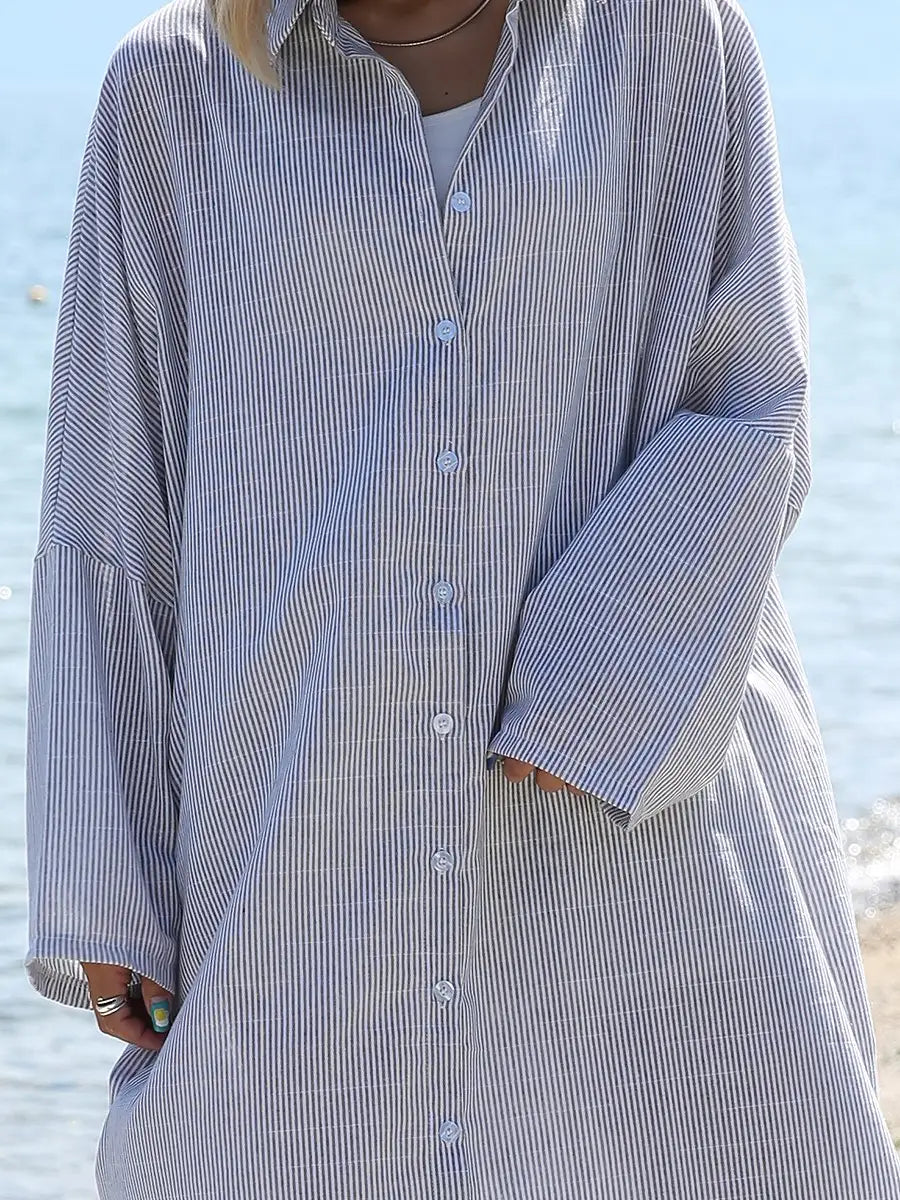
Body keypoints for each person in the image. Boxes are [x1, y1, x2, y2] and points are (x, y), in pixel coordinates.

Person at [23, 0, 900, 1195]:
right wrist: (106, 883)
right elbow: (107, 502)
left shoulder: (671, 40)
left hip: (636, 840)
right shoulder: (169, 94)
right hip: (300, 845)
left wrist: (595, 682)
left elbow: (753, 399)